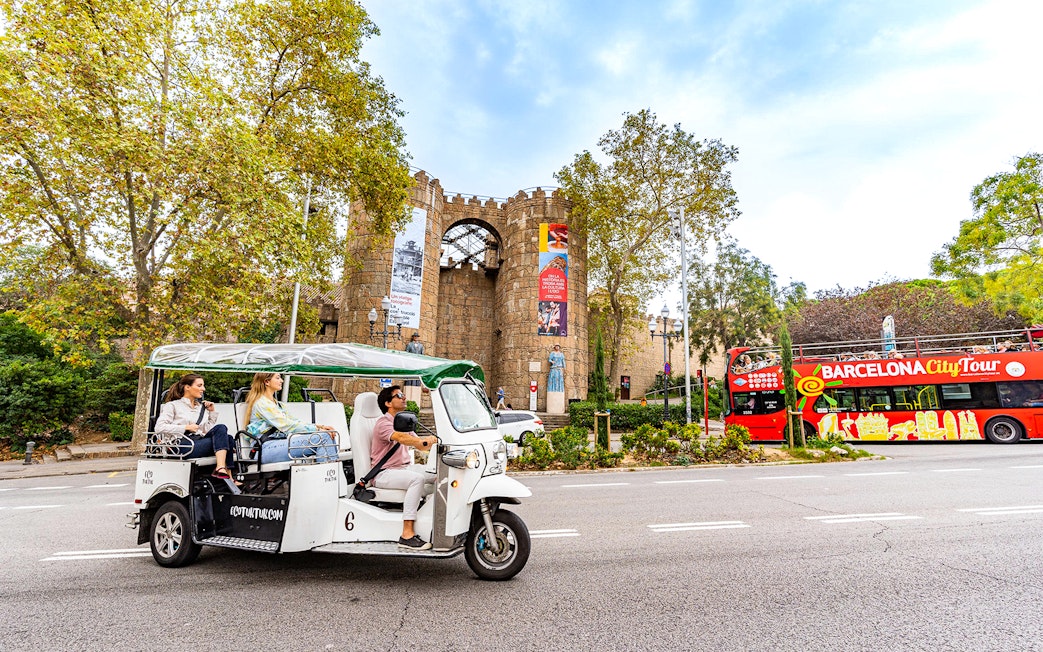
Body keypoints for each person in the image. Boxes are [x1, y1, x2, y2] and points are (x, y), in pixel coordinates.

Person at [372, 385, 437, 550]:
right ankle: (407, 534)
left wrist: (438, 442)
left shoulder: (402, 423)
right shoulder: (383, 423)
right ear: (388, 403)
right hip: (384, 473)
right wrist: (424, 440)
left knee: (440, 474)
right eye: (399, 395)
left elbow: (421, 446)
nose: (404, 397)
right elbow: (402, 438)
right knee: (418, 479)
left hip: (403, 469)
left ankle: (432, 520)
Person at [154, 373, 238, 482]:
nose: (203, 389)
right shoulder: (173, 405)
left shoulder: (200, 407)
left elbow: (205, 430)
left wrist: (212, 413)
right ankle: (227, 475)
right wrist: (186, 427)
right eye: (199, 386)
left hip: (198, 442)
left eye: (203, 385)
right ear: (187, 387)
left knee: (224, 431)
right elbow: (159, 427)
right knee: (228, 440)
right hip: (181, 445)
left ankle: (222, 470)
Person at [244, 373, 339, 464]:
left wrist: (320, 426)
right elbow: (286, 425)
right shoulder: (262, 403)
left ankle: (329, 476)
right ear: (267, 382)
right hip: (263, 448)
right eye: (277, 378)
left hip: (278, 444)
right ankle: (327, 476)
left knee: (326, 436)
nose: (281, 380)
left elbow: (294, 421)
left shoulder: (278, 404)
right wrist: (317, 429)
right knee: (324, 438)